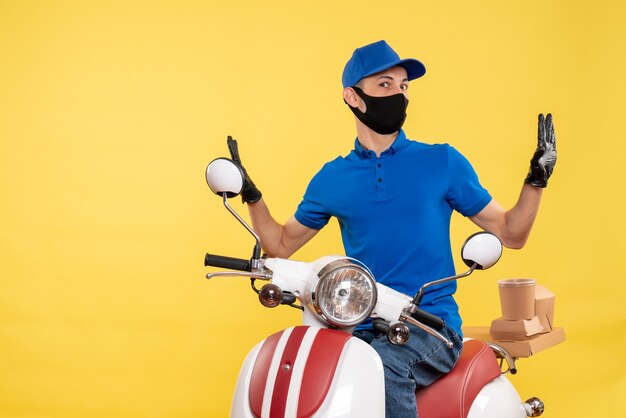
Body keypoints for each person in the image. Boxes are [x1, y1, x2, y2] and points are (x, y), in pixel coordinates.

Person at [226, 40, 557, 417]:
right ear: (352, 97)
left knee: (383, 368)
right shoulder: (333, 178)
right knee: (307, 368)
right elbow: (280, 245)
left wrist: (536, 180)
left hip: (429, 326)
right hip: (356, 325)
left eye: (403, 87)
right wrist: (252, 196)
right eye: (385, 85)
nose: (398, 94)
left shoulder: (441, 162)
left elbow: (511, 233)